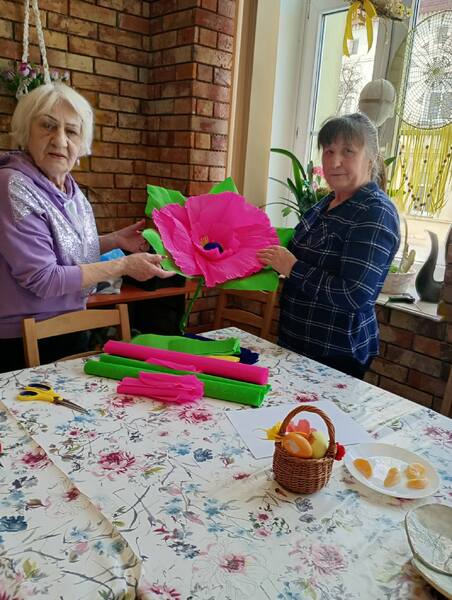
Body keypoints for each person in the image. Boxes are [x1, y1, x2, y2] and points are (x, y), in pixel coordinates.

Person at [0, 82, 173, 373]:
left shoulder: (68, 187)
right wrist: (123, 265)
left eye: (71, 131)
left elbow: (63, 249)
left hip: (69, 327)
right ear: (26, 132)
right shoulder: (12, 184)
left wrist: (115, 240)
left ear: (82, 143)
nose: (60, 140)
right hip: (23, 342)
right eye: (47, 126)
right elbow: (44, 278)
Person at [257, 113, 400, 379]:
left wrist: (293, 268)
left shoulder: (375, 212)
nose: (334, 162)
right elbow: (299, 256)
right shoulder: (325, 203)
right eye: (329, 151)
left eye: (348, 151)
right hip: (297, 341)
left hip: (336, 352)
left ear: (370, 158)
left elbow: (355, 294)